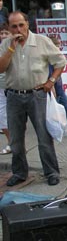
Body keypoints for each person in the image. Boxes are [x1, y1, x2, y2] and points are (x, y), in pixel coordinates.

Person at [0, 11, 67, 186]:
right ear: (8, 27)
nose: (18, 29)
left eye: (21, 25)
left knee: (43, 136)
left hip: (36, 95)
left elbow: (61, 62)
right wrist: (11, 48)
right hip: (14, 95)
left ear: (27, 24)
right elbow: (1, 68)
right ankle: (20, 172)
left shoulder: (41, 41)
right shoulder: (6, 44)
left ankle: (51, 172)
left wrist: (51, 81)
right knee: (15, 138)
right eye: (14, 26)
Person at [0, 23, 11, 154]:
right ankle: (11, 142)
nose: (3, 36)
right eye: (1, 33)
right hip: (1, 88)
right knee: (2, 116)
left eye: (6, 33)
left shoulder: (15, 48)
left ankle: (16, 143)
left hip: (13, 87)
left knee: (16, 117)